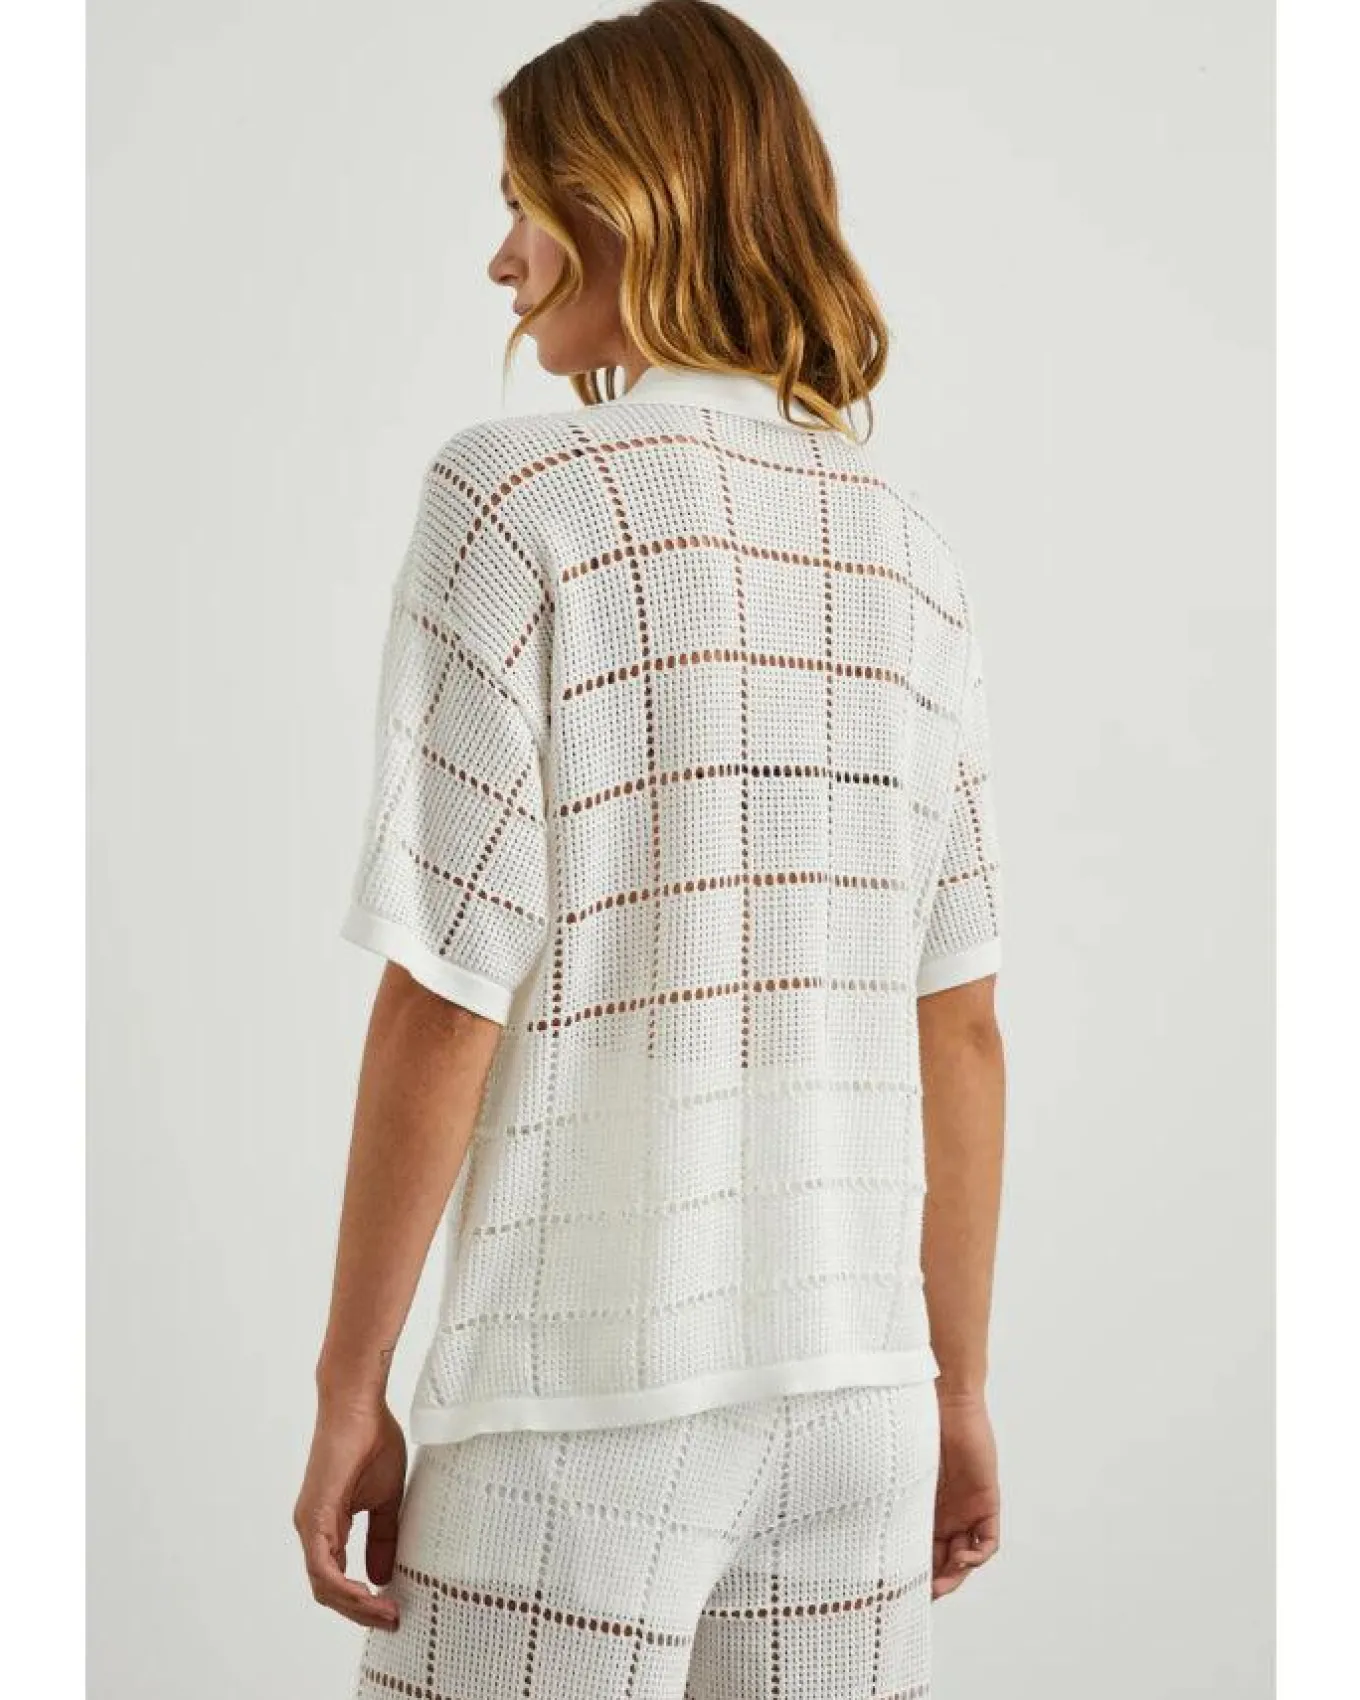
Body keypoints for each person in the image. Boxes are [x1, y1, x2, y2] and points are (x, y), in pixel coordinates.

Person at [292, 3, 1006, 1694]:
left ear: (625, 201)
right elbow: (962, 1023)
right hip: (862, 1406)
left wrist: (348, 1390)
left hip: (579, 1404)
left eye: (522, 204)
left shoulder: (513, 502)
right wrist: (959, 1390)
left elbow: (448, 995)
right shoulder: (910, 554)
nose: (501, 259)